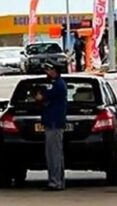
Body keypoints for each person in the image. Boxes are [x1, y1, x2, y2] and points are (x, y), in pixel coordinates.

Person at [35, 61, 67, 191]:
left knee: (54, 154)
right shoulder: (56, 84)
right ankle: (57, 181)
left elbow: (41, 98)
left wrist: (40, 96)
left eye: (49, 70)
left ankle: (55, 182)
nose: (47, 73)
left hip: (54, 123)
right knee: (54, 153)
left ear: (55, 71)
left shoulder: (58, 85)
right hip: (51, 123)